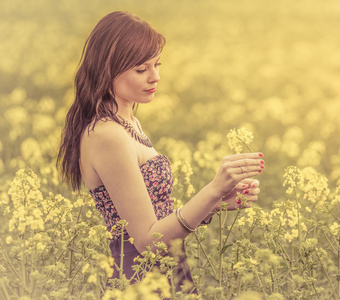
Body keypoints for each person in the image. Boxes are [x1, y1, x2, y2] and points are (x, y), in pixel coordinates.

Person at [57, 11, 264, 293]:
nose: (156, 77)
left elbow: (155, 214)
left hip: (167, 272)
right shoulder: (107, 135)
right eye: (141, 69)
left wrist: (214, 204)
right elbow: (146, 240)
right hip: (139, 283)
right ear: (108, 70)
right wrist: (213, 188)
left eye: (157, 65)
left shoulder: (128, 123)